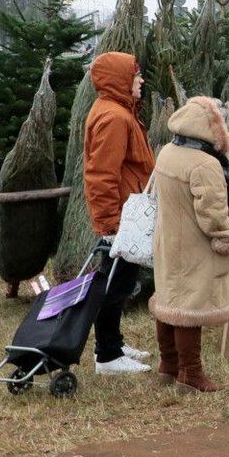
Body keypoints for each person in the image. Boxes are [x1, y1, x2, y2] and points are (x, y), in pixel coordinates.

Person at [148, 96, 229, 393]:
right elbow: (213, 217)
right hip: (194, 247)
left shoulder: (168, 152)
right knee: (190, 307)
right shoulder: (204, 164)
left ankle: (169, 366)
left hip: (169, 239)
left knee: (169, 301)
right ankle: (191, 374)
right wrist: (228, 238)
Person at [82, 51, 156, 375]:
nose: (140, 80)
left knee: (119, 280)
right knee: (114, 284)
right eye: (135, 74)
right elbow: (102, 175)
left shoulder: (119, 112)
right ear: (120, 79)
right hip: (122, 218)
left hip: (127, 214)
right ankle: (108, 355)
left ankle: (114, 344)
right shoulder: (113, 117)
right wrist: (110, 223)